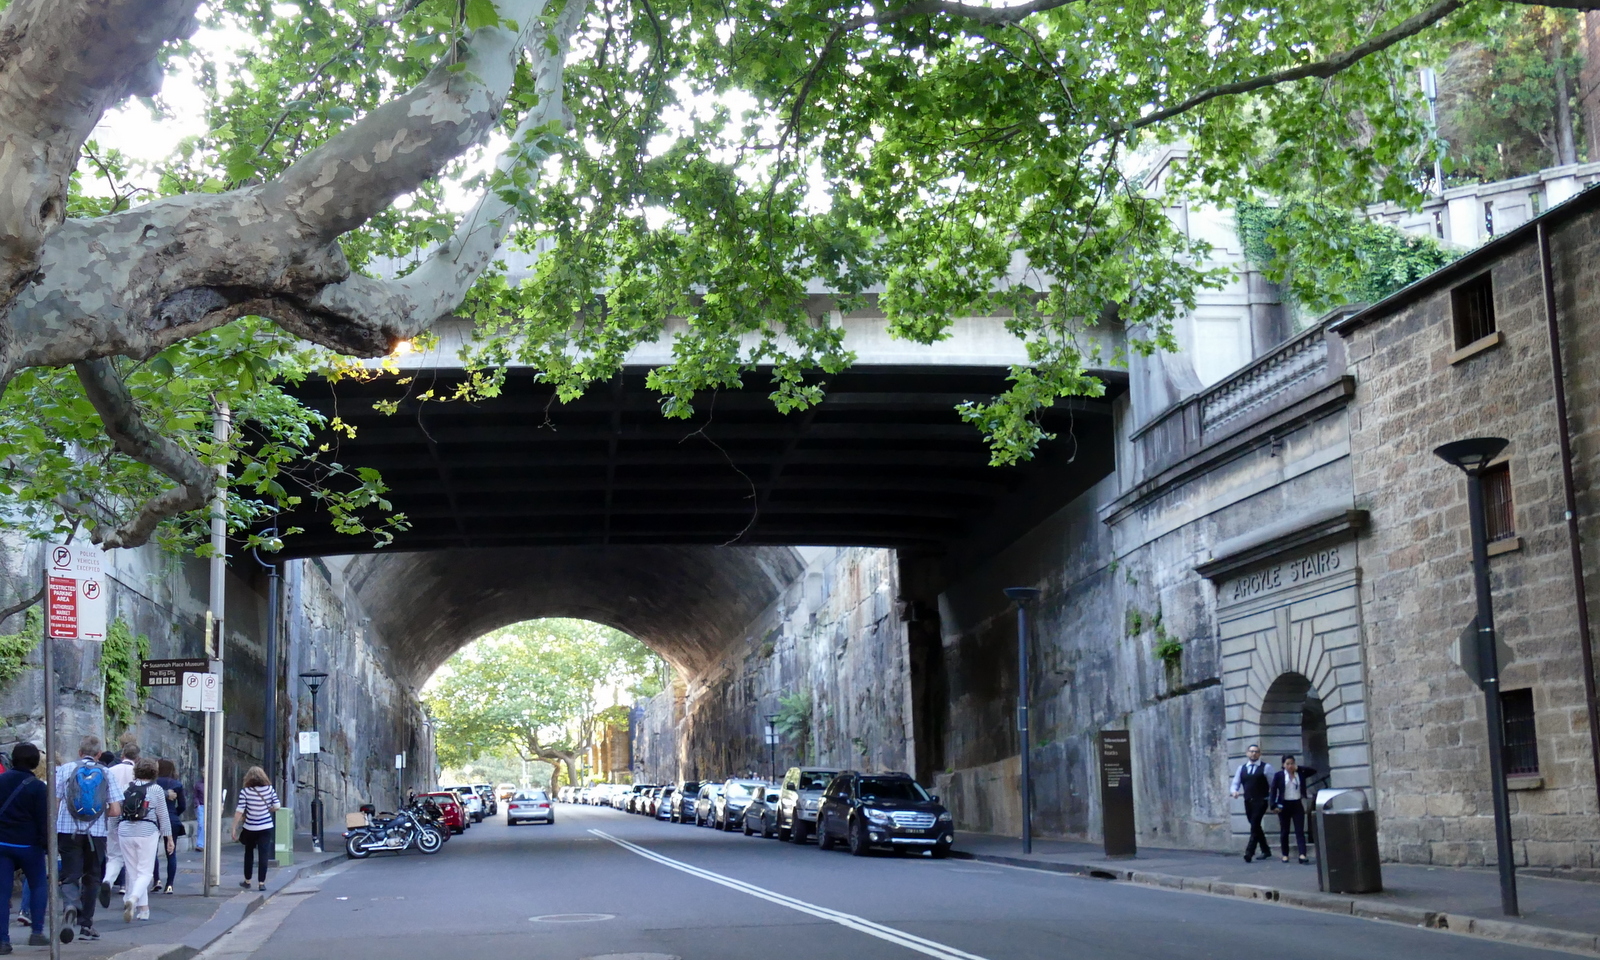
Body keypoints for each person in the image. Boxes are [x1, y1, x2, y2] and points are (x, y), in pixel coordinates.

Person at [57, 735, 118, 943]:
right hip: (97, 833)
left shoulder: (65, 770)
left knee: (70, 875)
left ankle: (70, 906)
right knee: (92, 877)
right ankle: (86, 925)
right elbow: (115, 810)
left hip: (67, 831)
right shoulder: (106, 772)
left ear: (79, 752)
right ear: (99, 754)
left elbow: (54, 803)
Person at [0, 744, 51, 952]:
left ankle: (3, 939)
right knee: (38, 884)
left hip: (2, 843)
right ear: (34, 762)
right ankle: (37, 932)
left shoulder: (1, 781)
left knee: (2, 892)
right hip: (29, 844)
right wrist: (46, 844)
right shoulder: (38, 787)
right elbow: (43, 820)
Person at [116, 759, 172, 923]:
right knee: (146, 872)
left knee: (132, 871)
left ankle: (143, 909)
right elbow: (163, 815)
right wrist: (168, 837)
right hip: (147, 831)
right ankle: (133, 899)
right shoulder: (156, 789)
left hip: (125, 831)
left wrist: (112, 832)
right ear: (154, 772)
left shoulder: (126, 787)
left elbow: (117, 813)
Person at [99, 743, 138, 902]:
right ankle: (129, 895)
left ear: (122, 755)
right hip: (132, 818)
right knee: (132, 857)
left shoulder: (110, 771)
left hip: (113, 814)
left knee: (114, 855)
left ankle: (108, 880)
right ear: (137, 757)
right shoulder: (137, 773)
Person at [231, 768, 278, 892]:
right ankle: (261, 883)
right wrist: (268, 809)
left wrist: (234, 827)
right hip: (266, 826)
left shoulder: (245, 791)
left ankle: (247, 881)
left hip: (250, 827)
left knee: (249, 853)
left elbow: (239, 810)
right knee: (263, 854)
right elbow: (277, 806)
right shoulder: (269, 789)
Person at [1229, 744, 1275, 863]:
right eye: (1251, 751)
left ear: (1259, 754)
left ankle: (1249, 852)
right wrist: (1234, 791)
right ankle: (1266, 850)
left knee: (1254, 824)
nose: (1254, 753)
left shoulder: (1266, 767)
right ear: (1247, 753)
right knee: (1256, 826)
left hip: (1261, 800)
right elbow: (1236, 782)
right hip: (1248, 801)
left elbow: (1273, 785)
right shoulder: (1242, 768)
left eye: (1256, 751)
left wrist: (1274, 799)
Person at [1270, 754, 1318, 864]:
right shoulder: (1279, 775)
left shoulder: (1300, 774)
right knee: (1284, 831)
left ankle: (1302, 854)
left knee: (1299, 830)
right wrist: (1273, 805)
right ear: (1283, 765)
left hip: (1297, 804)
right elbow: (1273, 791)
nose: (1290, 766)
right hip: (1284, 804)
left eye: (1292, 763)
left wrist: (1299, 768)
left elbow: (1313, 771)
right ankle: (1285, 854)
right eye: (1287, 764)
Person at [153, 760, 186, 894]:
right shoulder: (177, 784)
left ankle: (156, 880)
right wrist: (174, 814)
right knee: (171, 852)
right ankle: (170, 885)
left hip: (154, 819)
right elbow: (183, 805)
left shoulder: (154, 783)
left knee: (152, 852)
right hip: (172, 819)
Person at [193, 775, 205, 853]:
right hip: (201, 806)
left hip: (212, 806)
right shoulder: (198, 784)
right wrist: (197, 805)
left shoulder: (214, 783)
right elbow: (195, 796)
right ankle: (200, 844)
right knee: (201, 824)